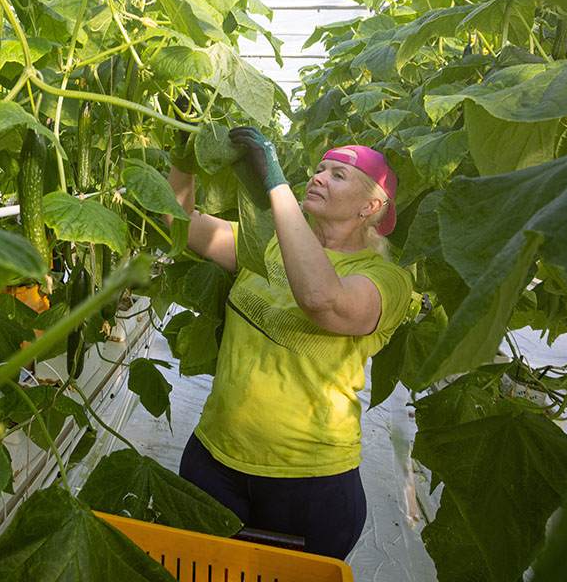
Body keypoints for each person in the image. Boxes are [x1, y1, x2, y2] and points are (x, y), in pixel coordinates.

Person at [163, 126, 413, 560]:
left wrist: (276, 183)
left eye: (338, 176)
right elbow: (178, 224)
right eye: (319, 170)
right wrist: (185, 159)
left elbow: (322, 300)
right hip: (214, 458)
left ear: (371, 206)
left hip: (309, 482)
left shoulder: (387, 280)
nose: (318, 177)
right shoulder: (267, 246)